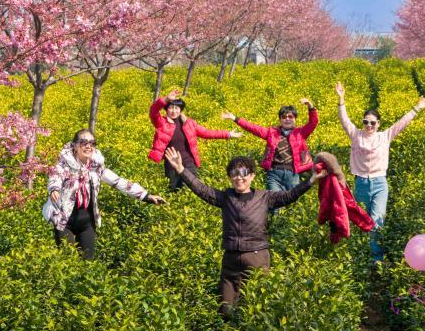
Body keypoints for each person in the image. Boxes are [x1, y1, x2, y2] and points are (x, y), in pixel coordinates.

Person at [164, 146, 327, 317]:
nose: (239, 177)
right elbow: (202, 189)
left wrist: (310, 181)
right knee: (225, 310)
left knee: (256, 309)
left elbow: (290, 195)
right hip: (231, 259)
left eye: (243, 172)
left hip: (257, 257)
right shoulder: (226, 197)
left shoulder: (265, 197)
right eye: (234, 173)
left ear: (252, 176)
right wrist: (181, 169)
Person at [335, 81, 425, 261]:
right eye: (366, 122)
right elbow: (344, 120)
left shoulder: (385, 136)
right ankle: (361, 257)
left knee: (377, 222)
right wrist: (341, 100)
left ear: (378, 124)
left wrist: (417, 107)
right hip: (361, 183)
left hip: (379, 184)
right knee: (361, 221)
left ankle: (376, 260)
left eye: (372, 122)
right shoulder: (356, 135)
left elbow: (403, 122)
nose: (368, 125)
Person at [47, 129, 164, 260]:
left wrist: (146, 196)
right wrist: (54, 189)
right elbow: (55, 176)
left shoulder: (96, 167)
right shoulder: (64, 164)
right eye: (83, 142)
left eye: (92, 143)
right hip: (64, 221)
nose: (88, 146)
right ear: (74, 145)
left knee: (88, 265)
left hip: (87, 223)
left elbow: (119, 182)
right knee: (66, 263)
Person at [147, 87, 242, 191]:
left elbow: (206, 133)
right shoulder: (161, 123)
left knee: (193, 190)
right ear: (166, 109)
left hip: (189, 163)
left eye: (176, 108)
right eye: (171, 108)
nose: (174, 111)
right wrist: (166, 99)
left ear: (181, 110)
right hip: (172, 164)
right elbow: (153, 110)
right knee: (173, 191)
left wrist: (228, 134)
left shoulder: (189, 123)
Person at [221, 98, 318, 192]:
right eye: (284, 117)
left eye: (290, 117)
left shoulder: (300, 133)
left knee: (291, 203)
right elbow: (253, 128)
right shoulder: (271, 132)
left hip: (293, 174)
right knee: (274, 203)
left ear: (295, 119)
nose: (287, 119)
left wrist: (310, 106)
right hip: (274, 174)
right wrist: (235, 118)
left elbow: (313, 123)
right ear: (280, 120)